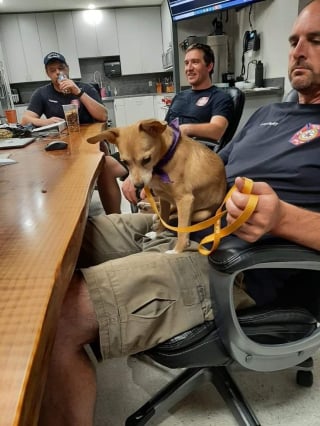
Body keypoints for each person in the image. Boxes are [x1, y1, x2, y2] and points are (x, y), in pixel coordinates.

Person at [38, 1, 320, 424]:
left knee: (56, 320)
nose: (298, 50)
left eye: (315, 40)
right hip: (187, 221)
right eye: (294, 40)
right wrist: (154, 179)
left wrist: (283, 219)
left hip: (234, 265)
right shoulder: (271, 113)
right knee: (60, 246)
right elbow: (213, 163)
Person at [97, 43, 234, 214]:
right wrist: (133, 171)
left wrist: (185, 129)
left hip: (186, 159)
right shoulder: (180, 96)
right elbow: (163, 132)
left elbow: (217, 130)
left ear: (210, 65)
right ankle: (115, 217)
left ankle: (158, 214)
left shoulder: (220, 97)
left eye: (195, 62)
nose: (189, 68)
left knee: (144, 183)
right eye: (186, 63)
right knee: (105, 165)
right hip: (162, 151)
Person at [20, 51, 107, 127]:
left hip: (89, 135)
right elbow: (24, 120)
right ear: (47, 74)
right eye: (52, 70)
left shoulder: (86, 88)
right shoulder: (42, 93)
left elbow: (103, 116)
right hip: (61, 137)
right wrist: (45, 122)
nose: (57, 72)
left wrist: (78, 92)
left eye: (61, 68)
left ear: (67, 69)